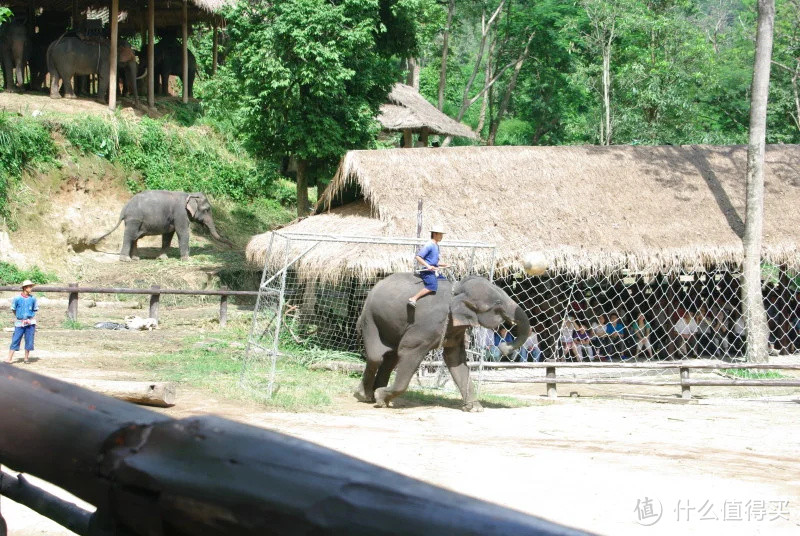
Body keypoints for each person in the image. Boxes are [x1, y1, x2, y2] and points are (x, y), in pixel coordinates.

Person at [408, 226, 449, 307]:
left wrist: (443, 264)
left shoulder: (436, 245)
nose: (442, 236)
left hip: (433, 270)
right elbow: (418, 257)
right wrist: (428, 266)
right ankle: (414, 298)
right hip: (427, 271)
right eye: (440, 234)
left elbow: (433, 261)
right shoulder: (429, 245)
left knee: (444, 281)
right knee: (432, 286)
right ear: (435, 234)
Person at [7, 280, 38, 364]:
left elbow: (35, 309)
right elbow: (14, 309)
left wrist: (29, 318)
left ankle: (26, 358)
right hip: (19, 322)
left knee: (29, 339)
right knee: (15, 339)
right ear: (25, 288)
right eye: (30, 287)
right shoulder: (17, 298)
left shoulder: (33, 299)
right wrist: (19, 317)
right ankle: (9, 358)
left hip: (30, 322)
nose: (31, 288)